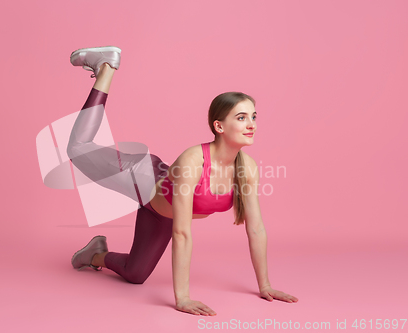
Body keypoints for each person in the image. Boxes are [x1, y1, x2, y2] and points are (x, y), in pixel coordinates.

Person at [67, 46, 298, 316]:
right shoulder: (193, 160)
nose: (252, 124)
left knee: (136, 274)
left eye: (254, 116)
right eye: (242, 117)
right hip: (142, 179)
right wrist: (183, 298)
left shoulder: (247, 168)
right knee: (78, 148)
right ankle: (106, 68)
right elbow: (183, 232)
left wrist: (265, 285)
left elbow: (256, 228)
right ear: (219, 126)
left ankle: (94, 254)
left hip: (161, 212)